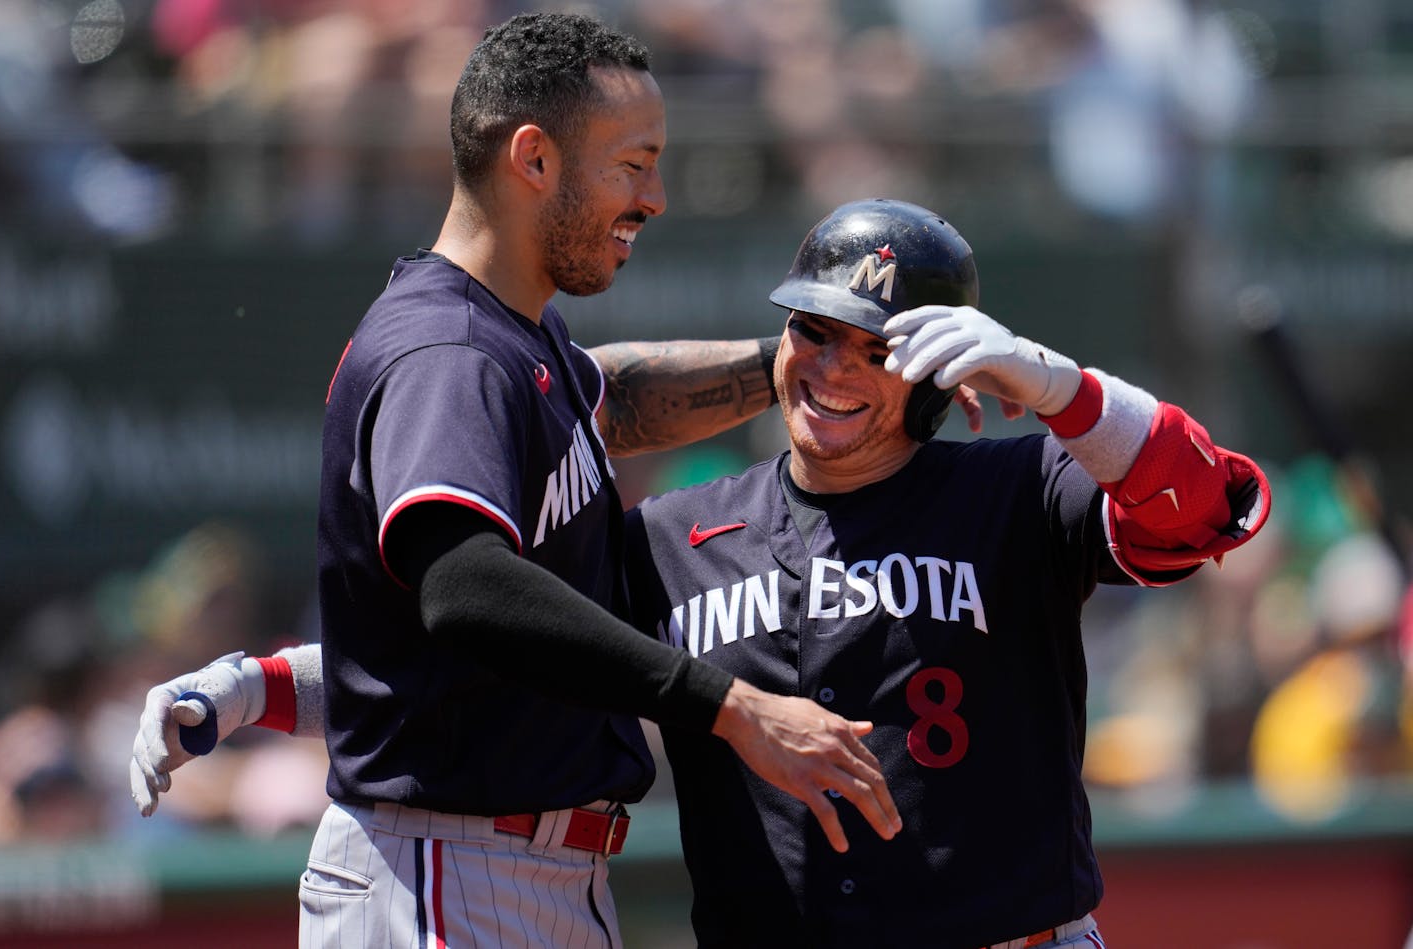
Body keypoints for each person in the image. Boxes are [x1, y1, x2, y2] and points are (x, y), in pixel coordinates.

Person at [133, 197, 1271, 947]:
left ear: (935, 373)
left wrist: (1060, 387)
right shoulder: (678, 533)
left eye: (876, 349)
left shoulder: (1016, 492)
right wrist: (251, 688)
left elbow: (1210, 508)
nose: (831, 368)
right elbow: (483, 659)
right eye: (812, 331)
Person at [132, 13, 906, 949]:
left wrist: (809, 364)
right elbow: (464, 585)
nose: (655, 197)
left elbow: (608, 399)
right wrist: (733, 708)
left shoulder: (513, 336)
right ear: (533, 158)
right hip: (447, 873)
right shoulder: (450, 351)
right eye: (634, 162)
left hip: (511, 871)